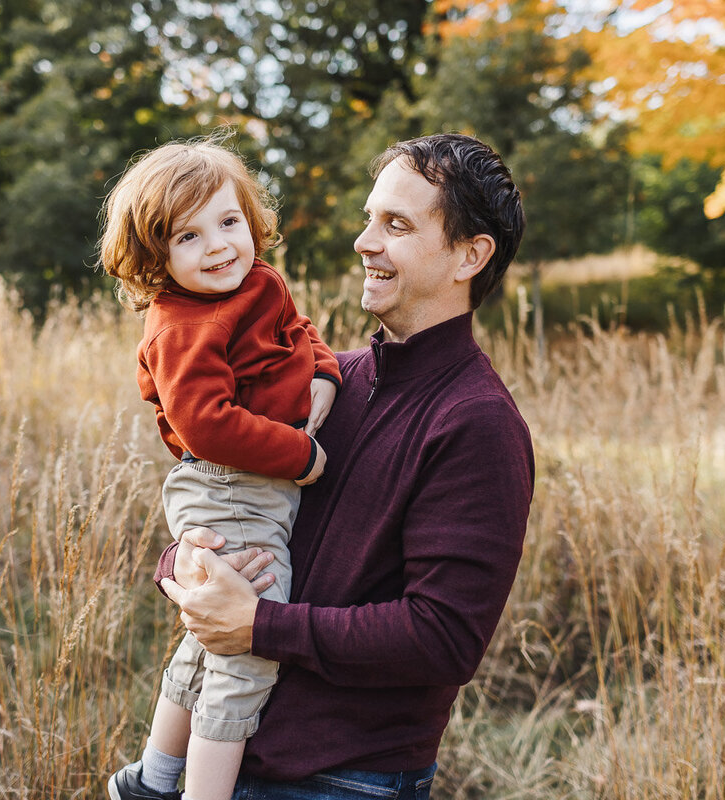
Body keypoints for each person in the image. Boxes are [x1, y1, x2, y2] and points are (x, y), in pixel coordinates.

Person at [155, 132, 535, 800]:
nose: (364, 241)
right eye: (369, 218)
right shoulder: (329, 382)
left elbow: (443, 637)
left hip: (344, 779)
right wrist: (185, 570)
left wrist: (258, 625)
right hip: (231, 760)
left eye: (396, 225)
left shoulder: (477, 423)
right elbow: (230, 501)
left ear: (469, 256)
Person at [99, 136, 343, 800]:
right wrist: (303, 457)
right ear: (156, 257)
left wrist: (322, 370)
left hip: (255, 488)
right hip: (230, 486)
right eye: (189, 236)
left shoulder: (258, 281)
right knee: (248, 649)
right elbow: (206, 421)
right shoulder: (179, 325)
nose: (218, 247)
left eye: (229, 222)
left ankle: (151, 782)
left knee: (213, 635)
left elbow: (301, 329)